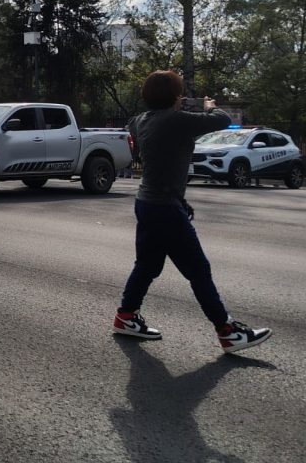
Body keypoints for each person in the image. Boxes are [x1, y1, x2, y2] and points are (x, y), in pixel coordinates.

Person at [112, 70, 272, 354]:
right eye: (179, 92)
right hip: (164, 208)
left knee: (147, 265)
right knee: (199, 270)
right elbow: (222, 119)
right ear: (175, 96)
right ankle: (228, 332)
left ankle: (126, 317)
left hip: (148, 203)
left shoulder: (142, 120)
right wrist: (208, 106)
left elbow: (140, 131)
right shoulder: (175, 120)